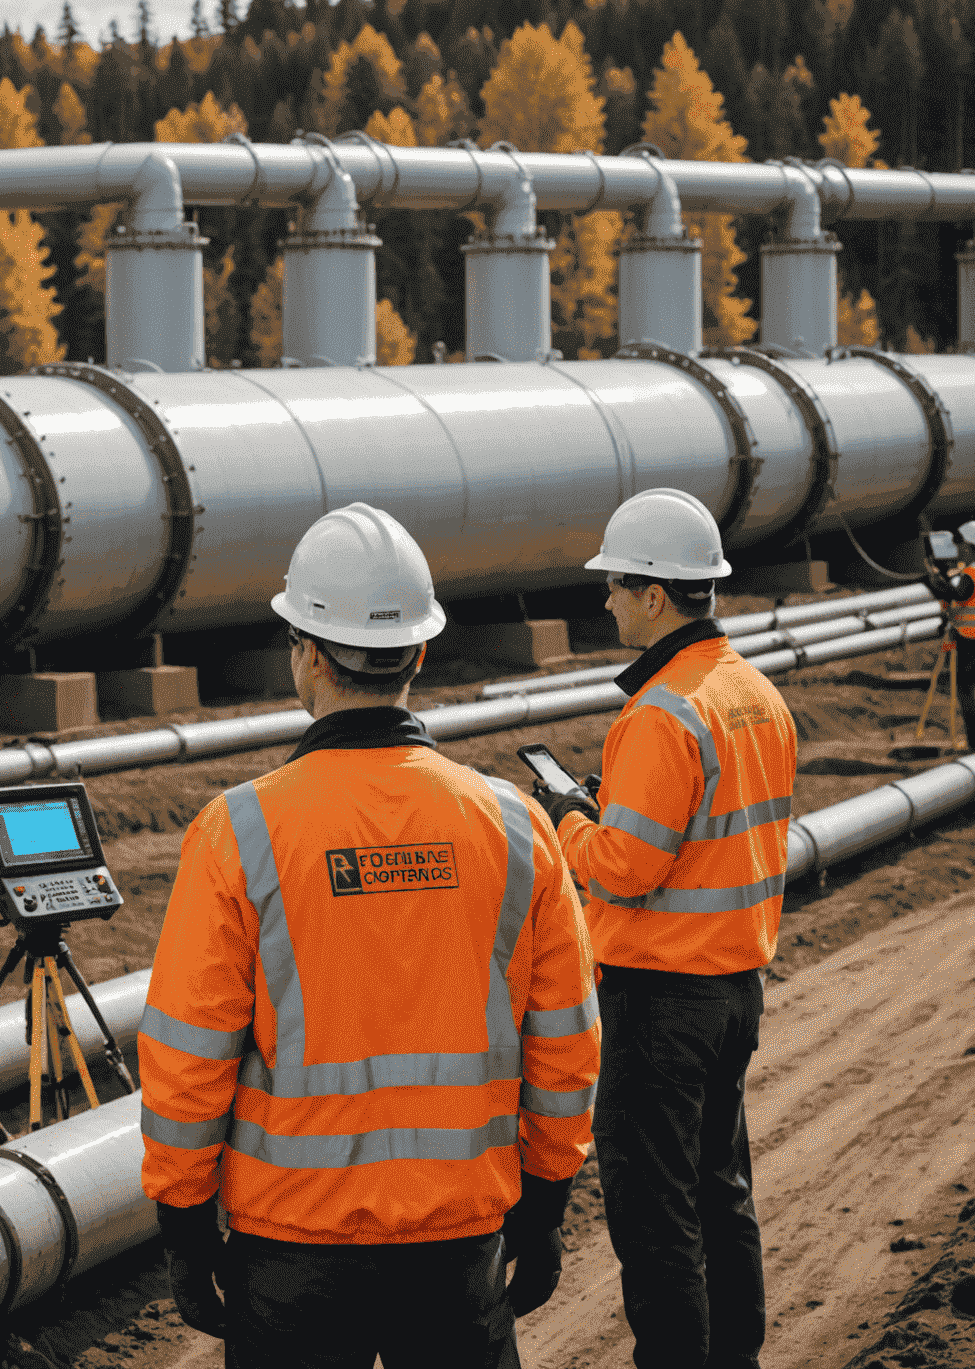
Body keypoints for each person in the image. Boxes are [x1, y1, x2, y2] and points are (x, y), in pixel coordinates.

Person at [138, 503, 600, 1369]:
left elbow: (186, 1056)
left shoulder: (237, 832)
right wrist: (546, 1205)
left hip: (292, 1252)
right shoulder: (515, 827)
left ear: (306, 652)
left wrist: (184, 1225)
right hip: (459, 1246)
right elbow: (567, 1041)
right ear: (419, 655)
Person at [532, 488, 796, 1369]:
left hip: (660, 1000)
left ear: (653, 593)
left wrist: (569, 818)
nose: (605, 601)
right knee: (721, 1190)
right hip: (734, 990)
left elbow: (625, 868)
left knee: (655, 1209)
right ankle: (736, 1355)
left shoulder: (660, 712)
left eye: (613, 586)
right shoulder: (753, 694)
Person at [923, 519, 975, 749]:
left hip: (969, 641)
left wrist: (934, 581)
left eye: (960, 545)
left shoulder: (971, 574)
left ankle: (973, 739)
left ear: (969, 546)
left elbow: (958, 595)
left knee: (966, 689)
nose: (958, 550)